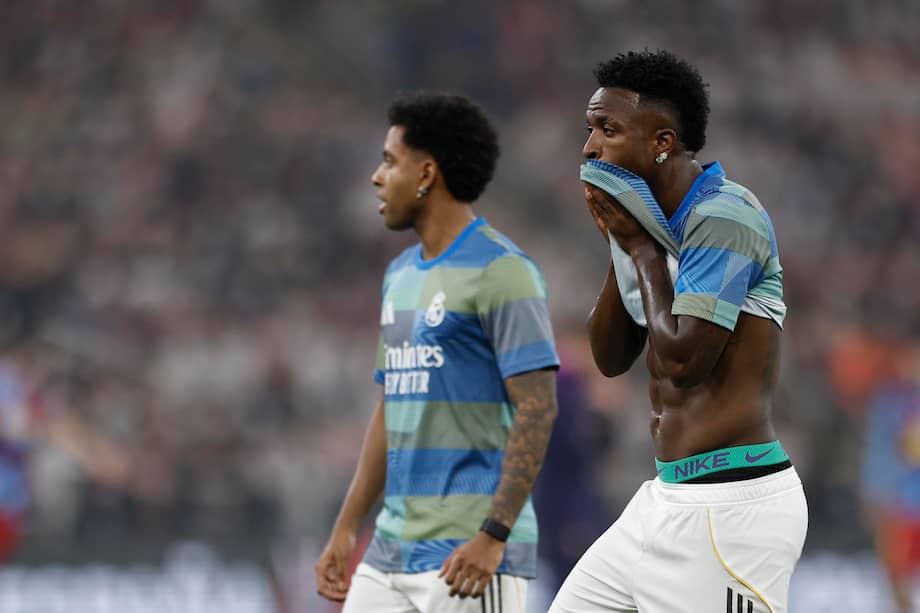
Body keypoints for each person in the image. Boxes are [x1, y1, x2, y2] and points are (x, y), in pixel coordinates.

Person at [549, 50, 808, 612]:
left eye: (607, 129)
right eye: (590, 128)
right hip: (665, 498)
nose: (589, 147)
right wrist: (626, 241)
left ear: (661, 141)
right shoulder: (649, 223)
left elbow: (686, 361)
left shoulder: (725, 216)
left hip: (734, 509)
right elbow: (611, 356)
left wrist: (640, 248)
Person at [315, 92, 560, 612]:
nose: (377, 178)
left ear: (426, 173)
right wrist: (345, 528)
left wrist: (493, 535)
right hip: (388, 553)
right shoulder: (399, 275)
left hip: (466, 551)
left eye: (389, 161)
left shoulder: (503, 270)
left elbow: (538, 407)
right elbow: (390, 409)